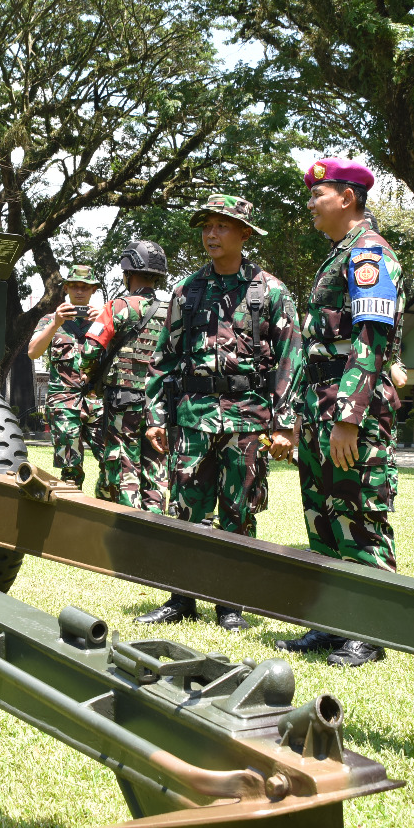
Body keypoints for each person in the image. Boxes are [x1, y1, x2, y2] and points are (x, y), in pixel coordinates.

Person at [140, 195, 301, 632]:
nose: (211, 234)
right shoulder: (187, 290)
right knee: (188, 509)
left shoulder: (271, 292)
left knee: (239, 510)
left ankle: (230, 605)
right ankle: (182, 598)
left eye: (223, 227)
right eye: (207, 226)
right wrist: (156, 415)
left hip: (248, 421)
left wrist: (285, 423)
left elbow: (290, 360)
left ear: (245, 234)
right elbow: (164, 359)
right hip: (193, 418)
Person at [273, 158, 402, 667]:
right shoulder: (338, 256)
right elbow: (317, 347)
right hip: (322, 402)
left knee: (359, 511)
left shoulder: (369, 255)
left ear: (347, 198)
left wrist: (349, 416)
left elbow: (371, 339)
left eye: (317, 194)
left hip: (352, 407)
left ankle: (368, 632)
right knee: (322, 514)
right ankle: (329, 624)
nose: (309, 204)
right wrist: (307, 410)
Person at [80, 240, 171, 510]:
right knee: (156, 467)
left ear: (127, 274)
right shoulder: (170, 311)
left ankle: (127, 528)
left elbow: (89, 351)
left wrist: (89, 376)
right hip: (160, 404)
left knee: (123, 464)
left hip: (123, 402)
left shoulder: (117, 307)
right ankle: (155, 525)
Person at [28, 265, 102, 489]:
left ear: (93, 290)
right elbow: (33, 352)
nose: (80, 291)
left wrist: (105, 323)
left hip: (98, 401)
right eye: (75, 286)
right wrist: (55, 324)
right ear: (66, 288)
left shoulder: (104, 319)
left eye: (85, 287)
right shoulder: (50, 320)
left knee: (113, 460)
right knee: (70, 470)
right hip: (63, 402)